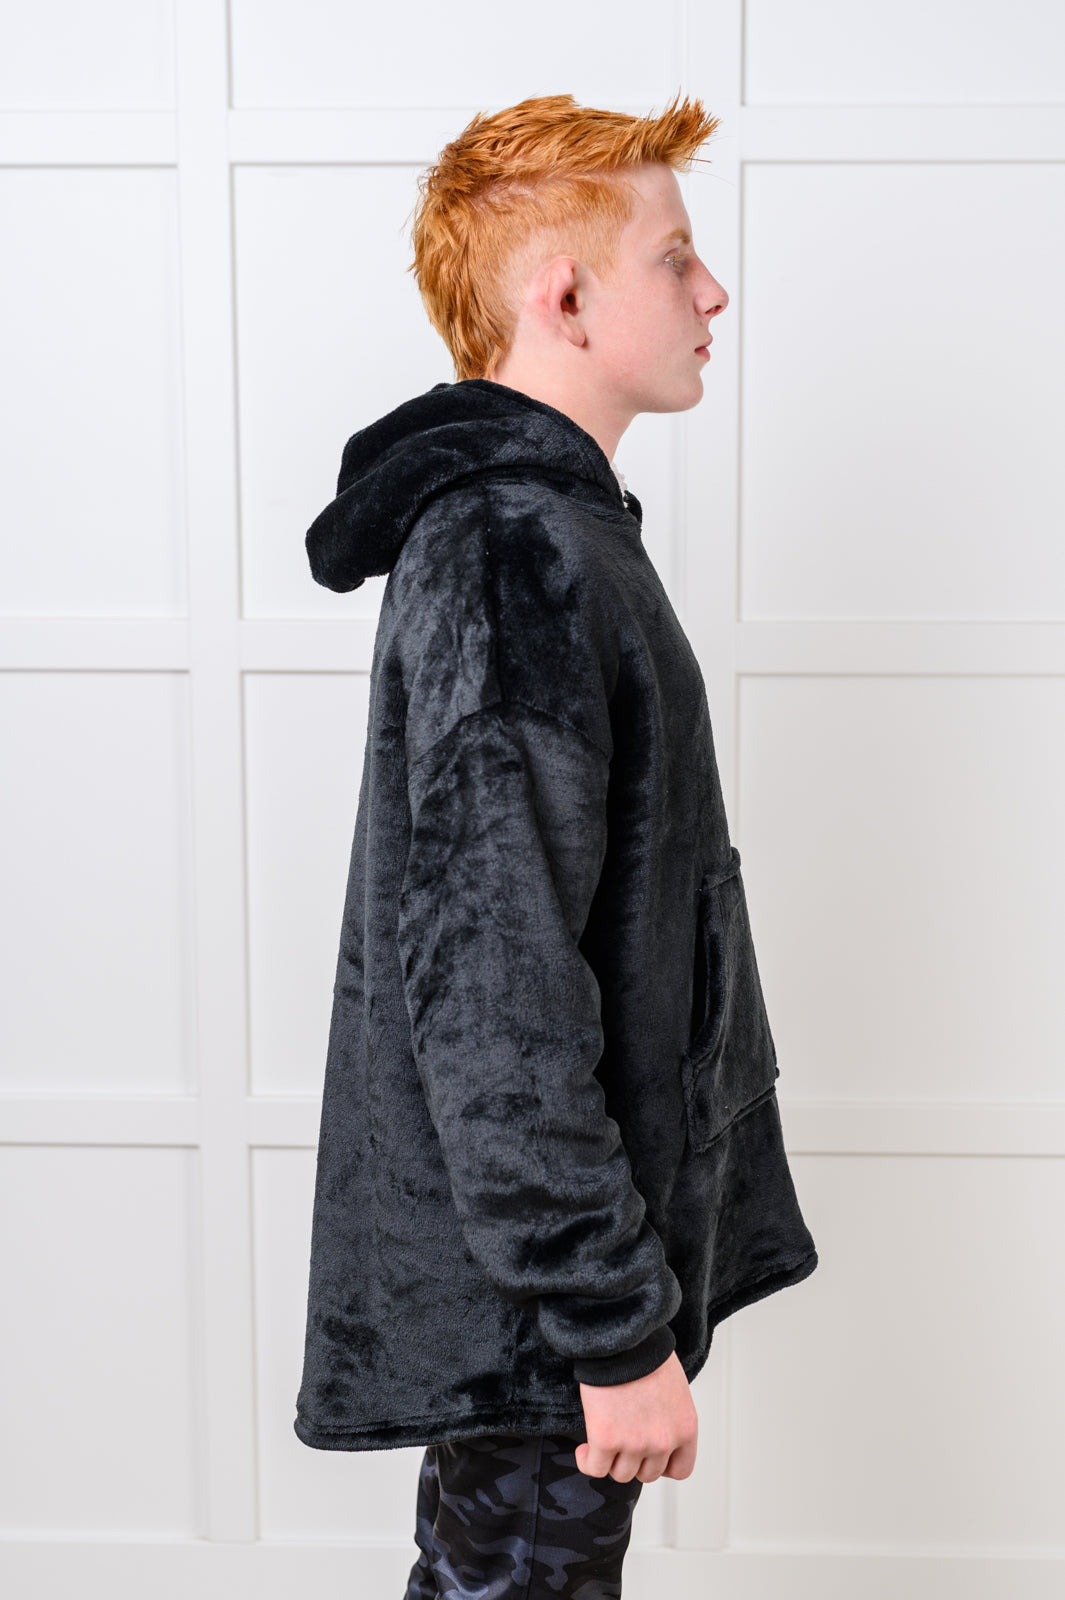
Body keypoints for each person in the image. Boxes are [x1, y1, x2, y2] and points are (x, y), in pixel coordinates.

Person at [293, 91, 819, 1598]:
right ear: (564, 296)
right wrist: (608, 1328)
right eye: (675, 257)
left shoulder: (551, 532)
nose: (712, 292)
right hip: (539, 1323)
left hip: (539, 1303)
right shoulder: (514, 547)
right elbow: (493, 988)